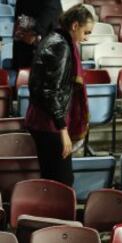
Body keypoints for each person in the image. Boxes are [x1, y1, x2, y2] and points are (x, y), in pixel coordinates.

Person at [24, 4, 94, 186]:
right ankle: (57, 215)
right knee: (62, 183)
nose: (86, 38)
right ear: (75, 26)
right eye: (86, 32)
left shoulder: (55, 39)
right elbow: (50, 91)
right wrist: (63, 130)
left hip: (44, 121)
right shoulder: (60, 46)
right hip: (49, 124)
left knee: (52, 179)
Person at [13, 0, 63, 69]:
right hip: (25, 46)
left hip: (45, 44)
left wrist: (34, 32)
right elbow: (18, 18)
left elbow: (50, 10)